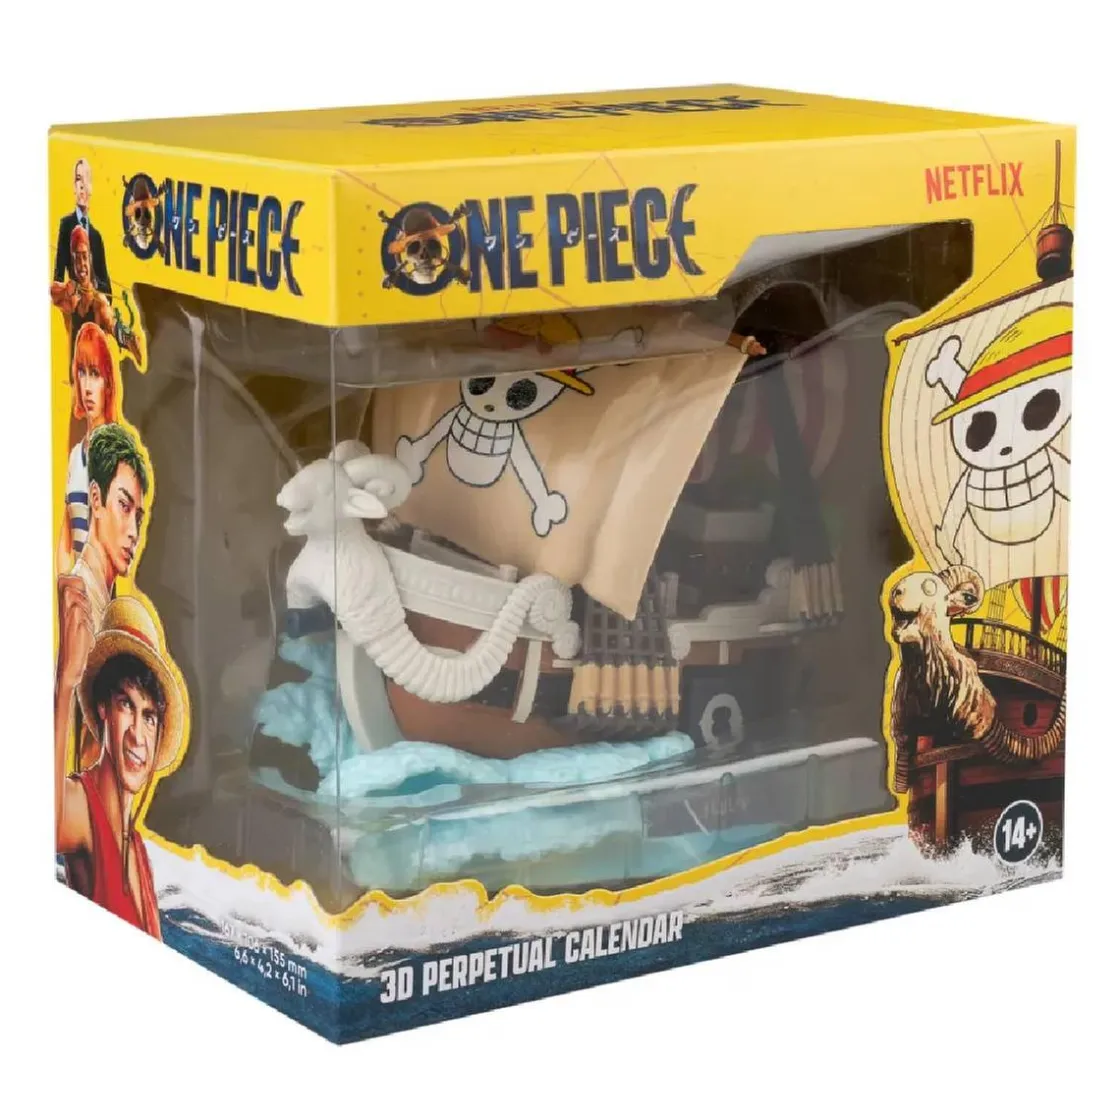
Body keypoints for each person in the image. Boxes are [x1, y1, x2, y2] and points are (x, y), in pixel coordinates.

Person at [54, 593, 185, 938]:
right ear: (103, 708)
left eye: (150, 717)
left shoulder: (139, 851)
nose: (138, 735)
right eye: (126, 704)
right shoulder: (82, 804)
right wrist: (64, 685)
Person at [70, 423, 149, 629]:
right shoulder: (80, 605)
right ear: (96, 499)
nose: (134, 533)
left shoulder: (101, 602)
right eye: (124, 506)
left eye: (138, 519)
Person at [58, 323, 121, 574]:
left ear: (108, 382)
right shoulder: (76, 456)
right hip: (76, 589)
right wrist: (65, 585)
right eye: (82, 372)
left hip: (104, 590)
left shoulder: (118, 454)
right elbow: (65, 541)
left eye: (95, 373)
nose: (87, 387)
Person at [49, 225, 140, 364]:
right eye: (77, 258)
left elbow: (113, 325)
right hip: (76, 374)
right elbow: (51, 292)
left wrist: (129, 339)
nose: (81, 264)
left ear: (90, 259)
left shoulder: (99, 304)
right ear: (72, 262)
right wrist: (66, 290)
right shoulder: (68, 298)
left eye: (84, 257)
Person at [54, 158, 111, 294]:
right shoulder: (66, 225)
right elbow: (58, 279)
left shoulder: (96, 236)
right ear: (74, 186)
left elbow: (108, 290)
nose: (82, 185)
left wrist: (94, 284)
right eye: (78, 179)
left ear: (91, 188)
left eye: (86, 180)